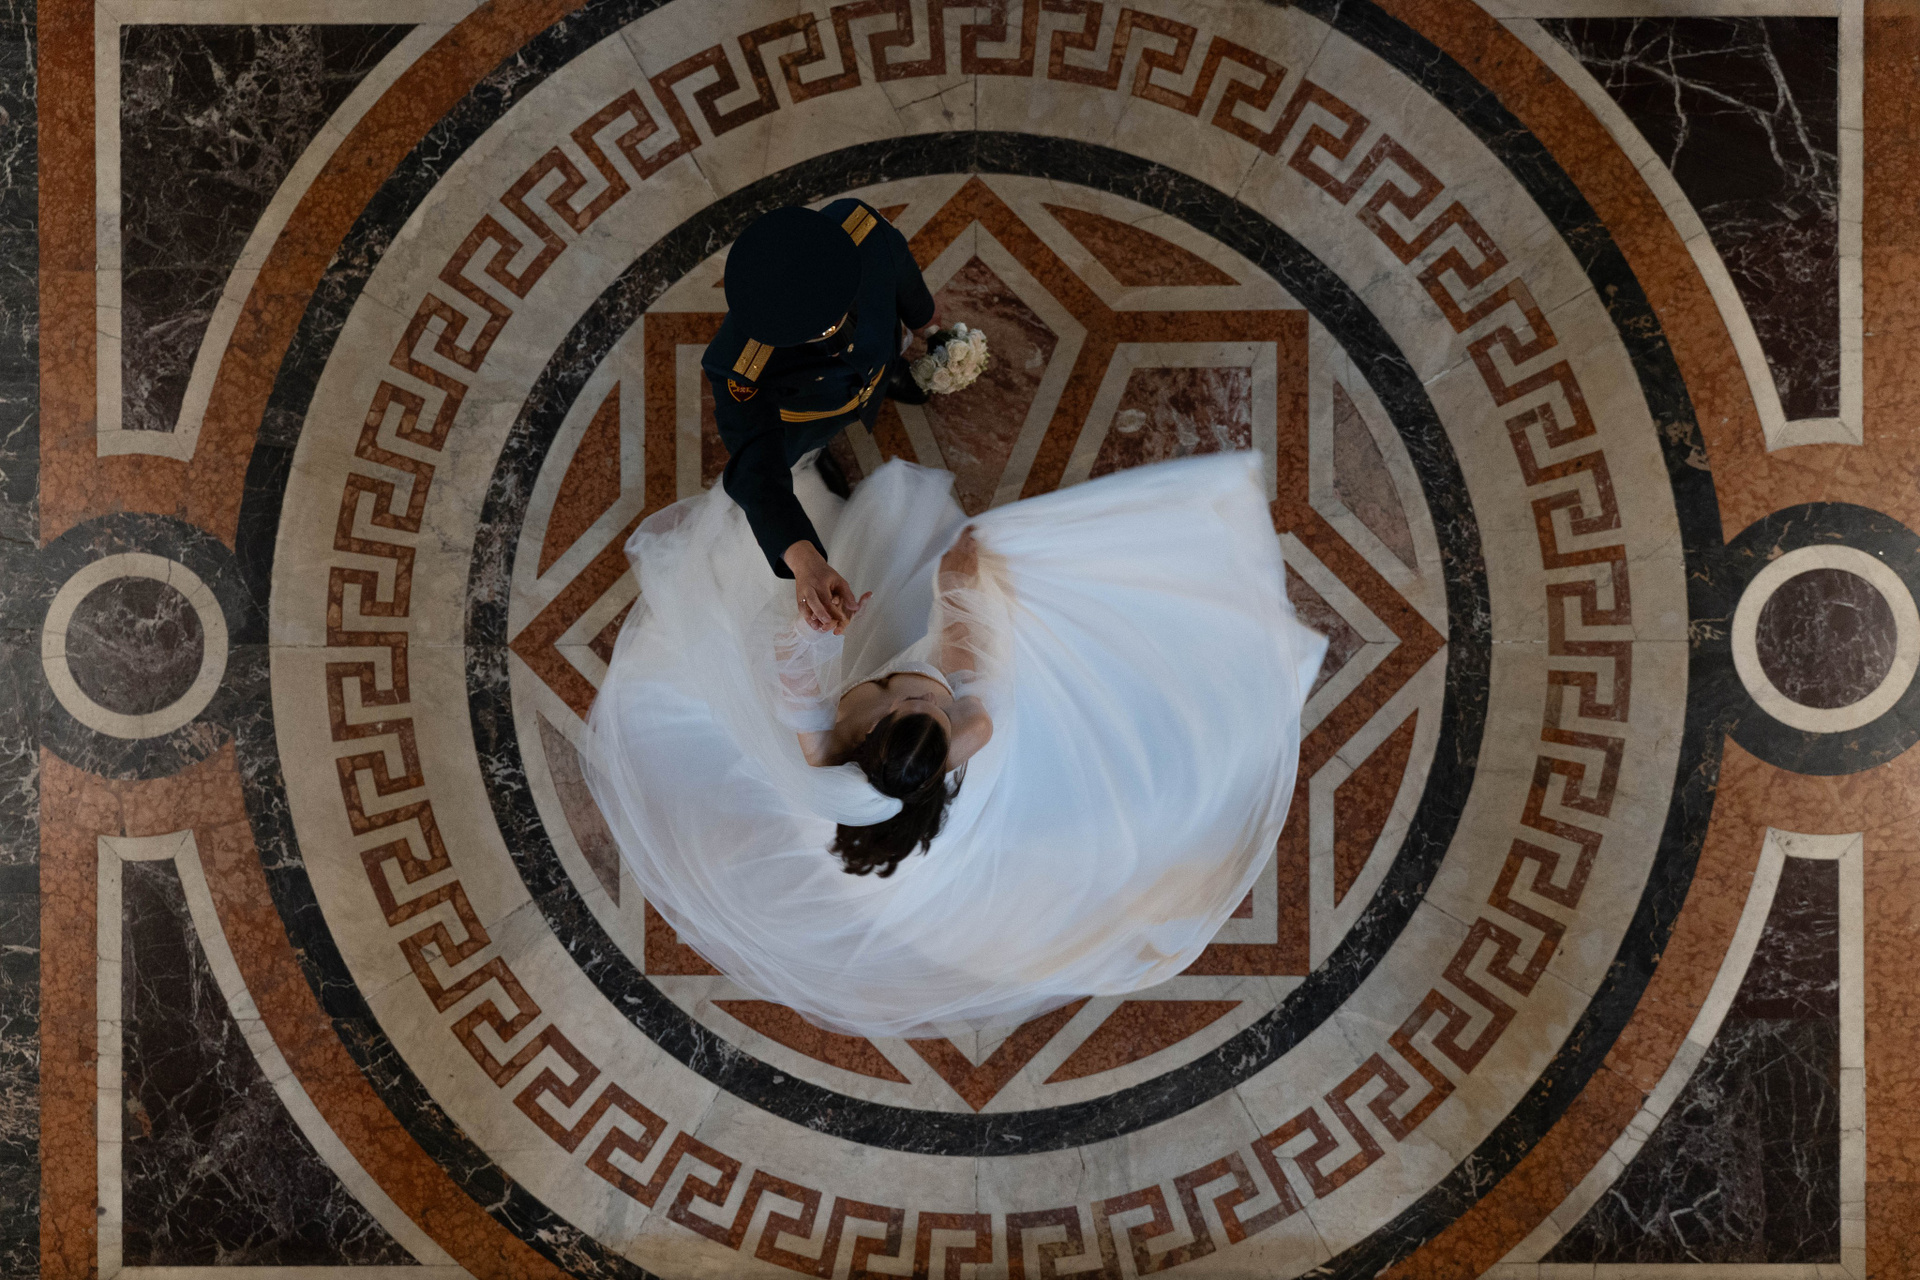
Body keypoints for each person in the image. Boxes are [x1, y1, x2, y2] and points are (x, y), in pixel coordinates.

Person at [586, 449, 1329, 1040]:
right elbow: (966, 632)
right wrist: (962, 578)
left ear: (868, 737)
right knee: (979, 563)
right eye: (925, 705)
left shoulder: (825, 749)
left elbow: (789, 666)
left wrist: (818, 631)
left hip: (875, 684)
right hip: (922, 690)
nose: (924, 696)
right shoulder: (971, 723)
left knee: (875, 560)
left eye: (921, 705)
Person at [704, 200, 943, 637]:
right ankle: (816, 456)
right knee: (805, 446)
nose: (831, 332)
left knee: (880, 368)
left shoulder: (862, 229)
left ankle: (886, 379)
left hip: (878, 356)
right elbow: (756, 467)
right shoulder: (740, 364)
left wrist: (926, 323)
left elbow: (902, 273)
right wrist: (804, 558)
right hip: (813, 413)